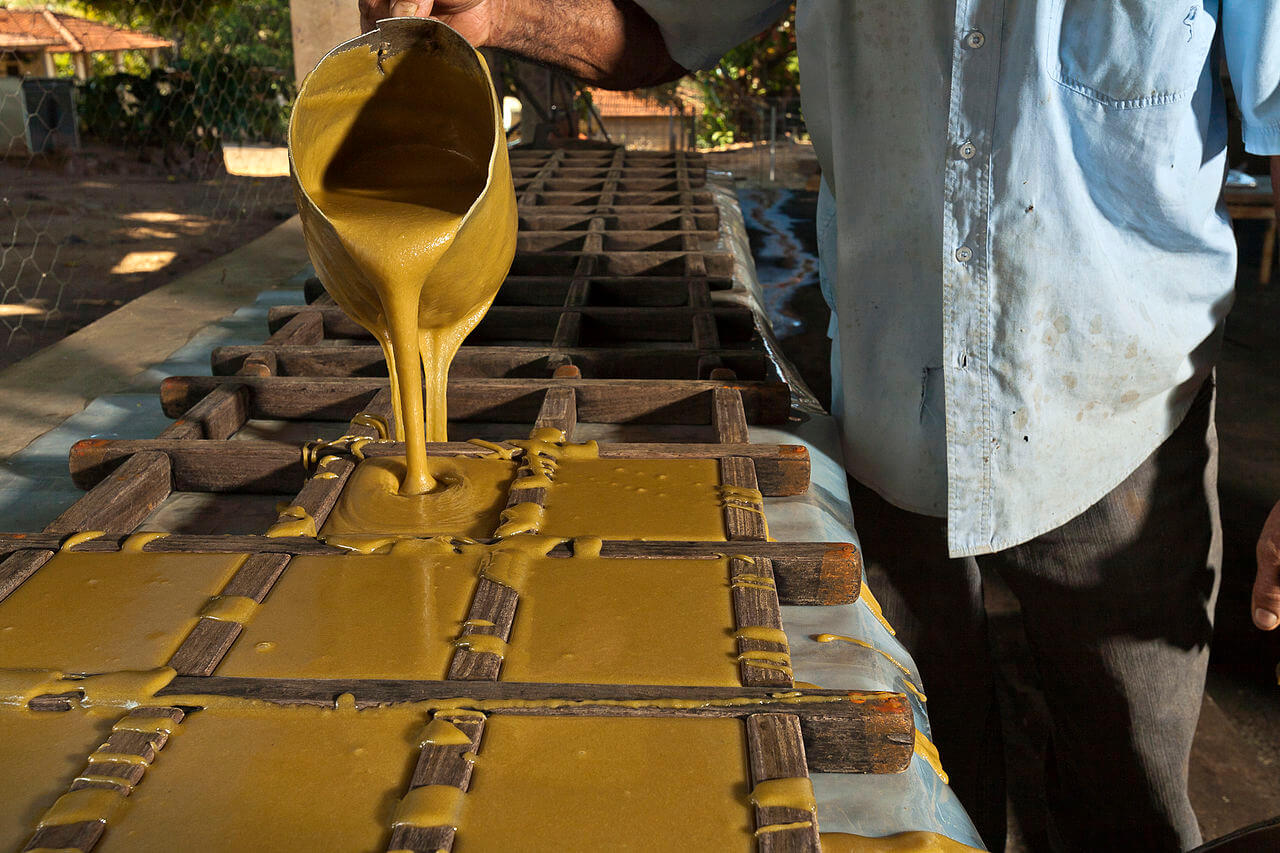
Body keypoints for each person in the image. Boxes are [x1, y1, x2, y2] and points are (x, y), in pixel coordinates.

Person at [358, 1, 1280, 849]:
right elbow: (658, 27)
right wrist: (497, 11)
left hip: (1121, 414)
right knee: (911, 783)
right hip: (894, 402)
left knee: (1129, 793)